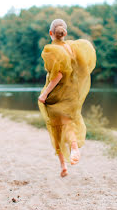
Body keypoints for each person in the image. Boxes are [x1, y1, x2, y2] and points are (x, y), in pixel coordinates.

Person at [38, 19, 96, 177]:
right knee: (68, 124)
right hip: (72, 93)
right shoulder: (72, 47)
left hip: (58, 93)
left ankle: (63, 165)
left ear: (51, 33)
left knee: (56, 127)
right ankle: (74, 147)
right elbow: (81, 68)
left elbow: (57, 75)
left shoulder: (52, 50)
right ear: (65, 33)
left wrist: (44, 94)